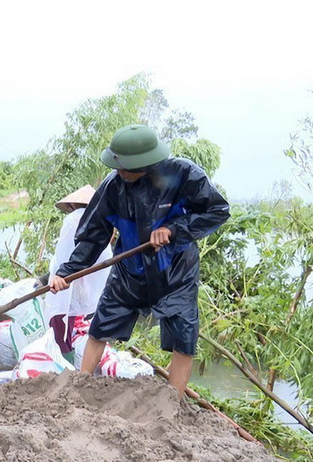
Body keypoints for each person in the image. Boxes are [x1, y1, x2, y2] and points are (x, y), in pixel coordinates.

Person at [48, 125, 230, 397]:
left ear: (146, 162)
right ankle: (79, 385)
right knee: (101, 325)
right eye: (117, 166)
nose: (120, 172)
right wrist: (67, 272)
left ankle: (172, 401)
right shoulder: (113, 186)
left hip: (175, 271)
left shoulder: (184, 174)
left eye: (126, 167)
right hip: (130, 269)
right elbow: (93, 236)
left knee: (184, 335)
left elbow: (218, 210)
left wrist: (174, 229)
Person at [44, 185, 112, 364]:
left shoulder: (73, 220)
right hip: (94, 292)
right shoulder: (102, 222)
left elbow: (63, 258)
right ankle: (74, 365)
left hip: (69, 284)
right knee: (88, 330)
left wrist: (58, 276)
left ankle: (64, 365)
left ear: (72, 205)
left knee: (61, 331)